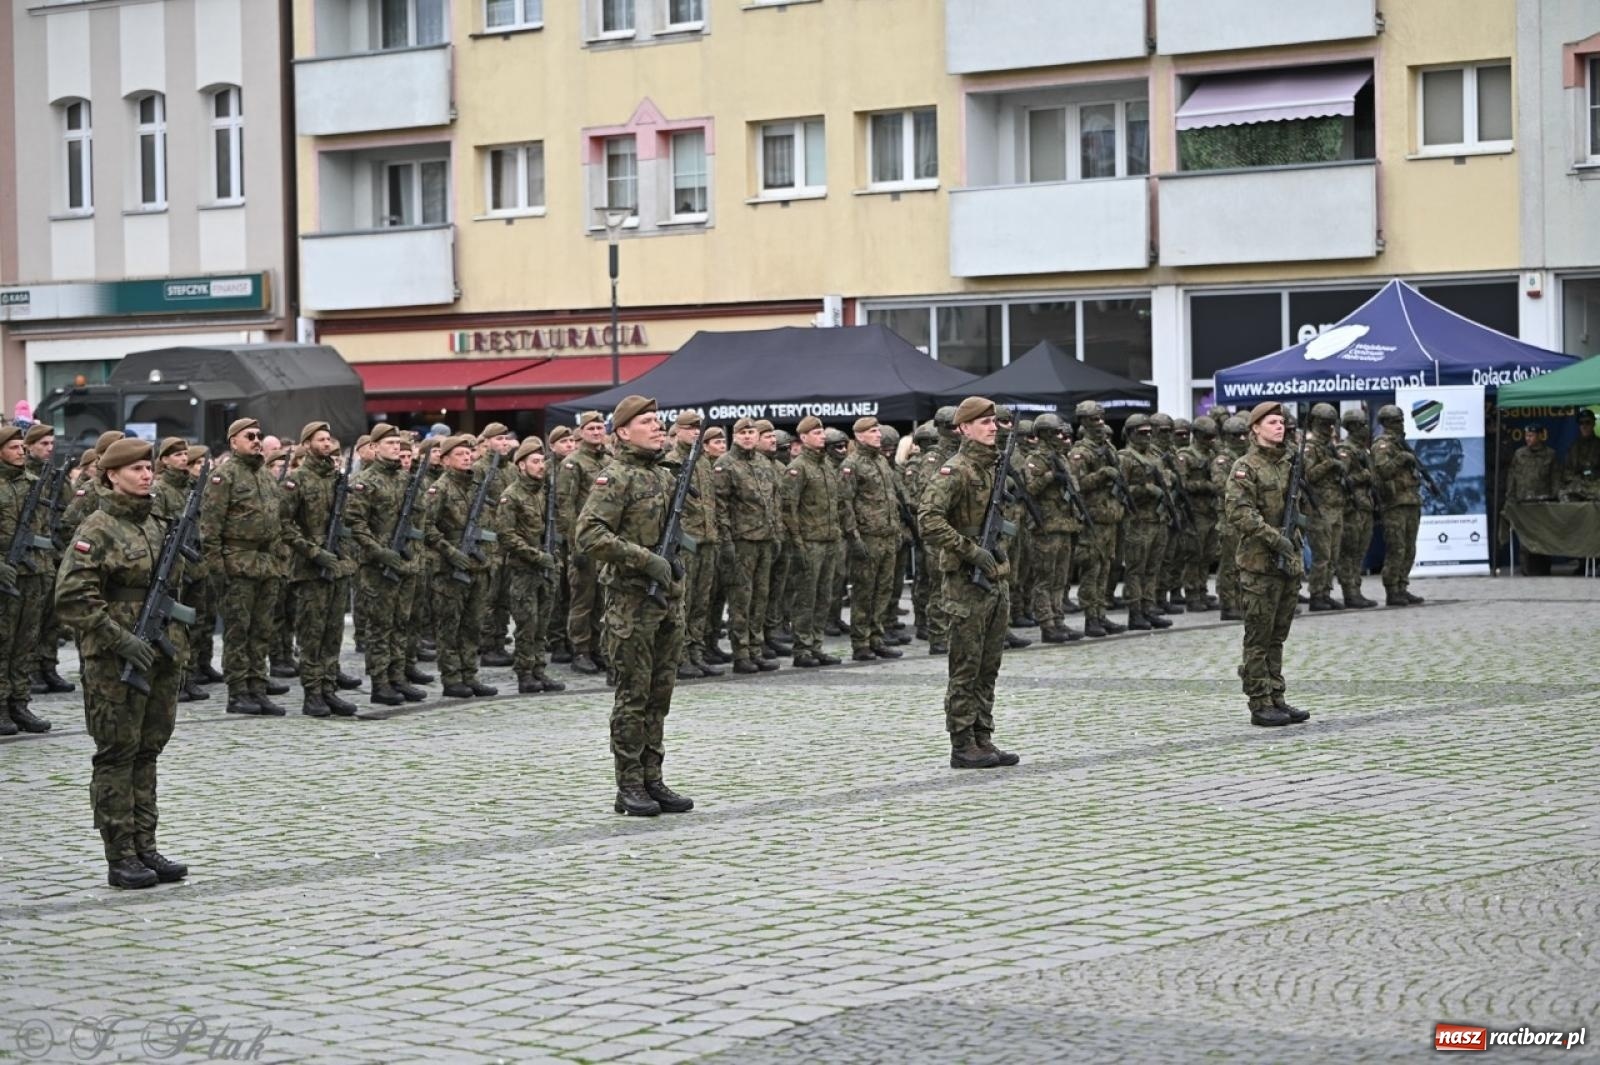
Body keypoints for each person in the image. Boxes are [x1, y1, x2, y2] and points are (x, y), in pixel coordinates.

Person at [54, 438, 189, 888]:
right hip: (115, 661)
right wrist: (120, 639)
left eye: (148, 468)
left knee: (148, 751)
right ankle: (121, 854)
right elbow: (72, 599)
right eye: (135, 469)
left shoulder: (155, 523)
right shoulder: (97, 528)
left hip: (158, 653)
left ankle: (146, 845)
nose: (146, 474)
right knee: (117, 754)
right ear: (111, 475)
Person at [575, 395, 693, 817]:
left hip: (667, 601)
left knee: (660, 695)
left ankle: (652, 778)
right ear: (623, 431)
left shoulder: (662, 476)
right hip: (631, 602)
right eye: (646, 421)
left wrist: (673, 560)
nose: (657, 426)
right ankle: (628, 786)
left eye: (658, 420)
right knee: (633, 696)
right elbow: (588, 535)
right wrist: (646, 560)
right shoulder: (617, 477)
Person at [918, 396, 1020, 770]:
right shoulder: (955, 470)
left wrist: (997, 555)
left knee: (988, 665)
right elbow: (928, 519)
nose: (993, 427)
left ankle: (983, 736)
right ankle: (962, 743)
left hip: (995, 579)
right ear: (963, 428)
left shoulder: (992, 468)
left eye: (994, 421)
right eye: (984, 422)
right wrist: (970, 551)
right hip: (965, 582)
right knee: (965, 666)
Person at [1224, 402, 1310, 728]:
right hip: (1259, 563)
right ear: (1255, 428)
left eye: (1282, 422)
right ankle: (1259, 702)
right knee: (1258, 636)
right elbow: (1240, 512)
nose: (1280, 427)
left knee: (1278, 635)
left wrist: (1293, 545)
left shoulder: (1289, 462)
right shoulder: (1245, 467)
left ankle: (1277, 695)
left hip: (1287, 561)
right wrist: (1274, 538)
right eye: (1273, 422)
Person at [199, 417, 287, 716]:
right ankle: (238, 692)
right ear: (233, 441)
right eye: (250, 435)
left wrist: (279, 559)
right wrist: (218, 569)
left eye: (259, 435)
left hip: (266, 564)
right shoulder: (224, 476)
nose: (256, 440)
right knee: (239, 631)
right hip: (238, 563)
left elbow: (276, 521)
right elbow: (210, 528)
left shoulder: (263, 475)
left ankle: (257, 688)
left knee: (262, 631)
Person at [280, 422, 360, 718]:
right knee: (312, 633)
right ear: (306, 444)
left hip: (338, 565)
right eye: (320, 439)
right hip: (310, 569)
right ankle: (312, 692)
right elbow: (284, 525)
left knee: (333, 632)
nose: (327, 444)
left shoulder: (337, 479)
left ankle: (328, 687)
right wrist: (314, 552)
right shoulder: (296, 480)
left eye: (329, 439)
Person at [346, 423, 427, 707]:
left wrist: (412, 554)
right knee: (380, 626)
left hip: (405, 562)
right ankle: (381, 683)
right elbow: (355, 524)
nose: (396, 448)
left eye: (398, 443)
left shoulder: (405, 480)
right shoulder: (366, 481)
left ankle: (398, 676)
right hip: (377, 566)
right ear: (376, 446)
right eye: (390, 443)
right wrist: (380, 552)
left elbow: (419, 521)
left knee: (401, 623)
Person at [424, 435, 499, 698]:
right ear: (444, 460)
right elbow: (426, 527)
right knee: (450, 626)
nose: (467, 457)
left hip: (477, 565)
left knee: (473, 624)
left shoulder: (476, 486)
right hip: (449, 569)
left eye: (469, 453)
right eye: (459, 454)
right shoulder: (439, 489)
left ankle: (470, 674)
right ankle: (452, 677)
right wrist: (450, 552)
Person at [713, 417, 782, 674]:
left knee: (761, 597)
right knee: (741, 598)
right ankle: (741, 652)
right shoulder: (725, 465)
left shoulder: (764, 463)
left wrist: (776, 535)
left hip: (765, 538)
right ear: (735, 436)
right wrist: (726, 541)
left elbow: (774, 502)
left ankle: (756, 647)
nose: (748, 437)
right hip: (742, 540)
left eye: (752, 432)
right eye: (743, 433)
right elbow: (720, 507)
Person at [498, 437, 565, 694]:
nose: (540, 466)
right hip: (524, 569)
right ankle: (525, 673)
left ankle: (539, 669)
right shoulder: (511, 496)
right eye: (534, 462)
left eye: (541, 461)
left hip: (547, 568)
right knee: (527, 624)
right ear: (521, 465)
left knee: (542, 624)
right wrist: (536, 556)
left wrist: (553, 555)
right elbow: (507, 535)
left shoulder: (543, 494)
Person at [0, 425, 55, 734]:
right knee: (2, 643)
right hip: (5, 574)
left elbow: (42, 532)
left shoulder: (33, 483)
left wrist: (44, 569)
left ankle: (20, 703)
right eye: (13, 447)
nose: (21, 451)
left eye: (22, 446)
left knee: (25, 642)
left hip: (31, 574)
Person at [840, 416, 904, 661]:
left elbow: (891, 501)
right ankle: (861, 642)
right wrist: (854, 537)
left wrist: (896, 530)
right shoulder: (852, 464)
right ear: (859, 436)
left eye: (878, 430)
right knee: (864, 591)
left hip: (886, 535)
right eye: (872, 431)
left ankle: (877, 636)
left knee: (883, 590)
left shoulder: (881, 461)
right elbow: (844, 504)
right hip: (867, 537)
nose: (878, 435)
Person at [784, 416, 845, 668]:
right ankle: (802, 648)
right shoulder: (798, 468)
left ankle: (816, 645)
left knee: (824, 596)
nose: (822, 436)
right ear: (804, 438)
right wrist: (797, 543)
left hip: (829, 539)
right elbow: (789, 509)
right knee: (806, 598)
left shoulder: (827, 466)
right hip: (809, 542)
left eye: (822, 432)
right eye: (816, 432)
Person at [664, 412, 722, 679]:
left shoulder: (703, 462)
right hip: (686, 542)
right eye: (690, 429)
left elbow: (711, 503)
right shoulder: (673, 462)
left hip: (707, 540)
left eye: (699, 428)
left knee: (701, 601)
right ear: (678, 431)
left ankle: (696, 652)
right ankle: (680, 656)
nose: (696, 433)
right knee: (683, 602)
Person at [1019, 413, 1083, 643]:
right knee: (1044, 579)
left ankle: (1058, 619)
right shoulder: (1036, 459)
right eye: (1057, 432)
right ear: (1045, 434)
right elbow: (1030, 490)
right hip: (1046, 526)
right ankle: (1047, 624)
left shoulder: (1061, 457)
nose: (1061, 436)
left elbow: (1074, 488)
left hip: (1065, 524)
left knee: (1060, 579)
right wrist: (1049, 476)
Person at [1068, 402, 1127, 639]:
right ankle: (1090, 617)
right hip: (1092, 518)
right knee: (1092, 569)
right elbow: (1076, 484)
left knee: (1106, 567)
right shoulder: (1080, 452)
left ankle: (1101, 613)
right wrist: (1101, 475)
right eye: (1094, 419)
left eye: (1101, 418)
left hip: (1110, 517)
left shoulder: (1109, 448)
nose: (1100, 423)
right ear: (1083, 422)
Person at [558, 412, 610, 675]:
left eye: (600, 427)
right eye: (591, 428)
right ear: (581, 432)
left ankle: (597, 648)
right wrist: (574, 545)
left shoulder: (610, 460)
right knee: (583, 599)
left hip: (606, 541)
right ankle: (580, 650)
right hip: (584, 541)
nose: (597, 431)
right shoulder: (572, 463)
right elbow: (565, 507)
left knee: (602, 598)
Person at [1118, 414, 1174, 632]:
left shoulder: (1154, 456)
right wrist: (1145, 490)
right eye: (1142, 433)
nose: (1147, 436)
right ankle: (1135, 612)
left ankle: (1149, 608)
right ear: (1131, 433)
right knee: (1136, 569)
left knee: (1153, 569)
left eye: (1149, 432)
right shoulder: (1125, 457)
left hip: (1157, 519)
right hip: (1138, 521)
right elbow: (1122, 491)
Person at [1370, 404, 1425, 606]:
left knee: (1410, 549)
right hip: (1394, 504)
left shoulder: (1401, 444)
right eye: (1395, 421)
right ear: (1386, 424)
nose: (1400, 424)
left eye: (1401, 420)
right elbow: (1383, 471)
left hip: (1410, 501)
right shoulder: (1382, 445)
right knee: (1397, 548)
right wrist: (1402, 459)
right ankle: (1392, 589)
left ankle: (1402, 586)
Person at [1302, 403, 1349, 612]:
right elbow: (1308, 475)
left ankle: (1326, 592)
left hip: (1335, 506)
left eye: (1331, 424)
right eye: (1325, 424)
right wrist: (1329, 464)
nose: (1329, 428)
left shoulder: (1329, 446)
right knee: (1322, 556)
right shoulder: (1310, 447)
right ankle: (1316, 594)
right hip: (1318, 508)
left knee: (1333, 555)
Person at [1336, 409, 1380, 609]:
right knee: (1350, 552)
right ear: (1352, 426)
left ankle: (1356, 590)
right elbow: (1341, 478)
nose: (1365, 428)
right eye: (1361, 425)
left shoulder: (1363, 449)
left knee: (1360, 551)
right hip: (1352, 508)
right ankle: (1350, 592)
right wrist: (1363, 476)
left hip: (1364, 506)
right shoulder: (1345, 450)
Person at [1212, 415, 1250, 619]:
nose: (1242, 440)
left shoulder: (1248, 459)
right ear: (1227, 437)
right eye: (1237, 436)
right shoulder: (1223, 460)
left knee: (1244, 564)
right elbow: (1221, 486)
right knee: (1229, 566)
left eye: (1245, 435)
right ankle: (1228, 605)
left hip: (1246, 518)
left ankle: (1241, 602)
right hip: (1229, 520)